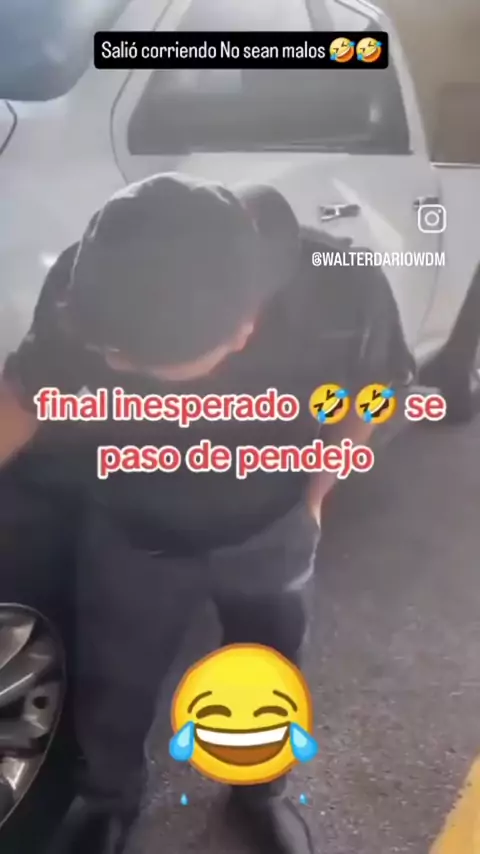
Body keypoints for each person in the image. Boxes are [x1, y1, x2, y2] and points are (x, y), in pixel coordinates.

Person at [0, 173, 413, 854]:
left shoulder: (342, 288)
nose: (115, 368)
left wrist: (314, 498)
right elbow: (26, 389)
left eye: (145, 371)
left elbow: (376, 390)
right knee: (114, 682)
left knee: (266, 670)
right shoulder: (90, 281)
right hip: (131, 530)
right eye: (111, 358)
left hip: (270, 525)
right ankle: (108, 802)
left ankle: (260, 793)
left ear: (246, 329)